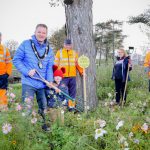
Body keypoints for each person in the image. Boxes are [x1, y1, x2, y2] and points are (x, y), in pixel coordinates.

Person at [13, 24, 54, 122]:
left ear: (46, 34)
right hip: (28, 82)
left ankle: (44, 125)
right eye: (39, 32)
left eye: (44, 32)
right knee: (27, 108)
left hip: (42, 84)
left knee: (44, 108)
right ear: (35, 32)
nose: (41, 34)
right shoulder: (25, 44)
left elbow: (49, 67)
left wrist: (49, 80)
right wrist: (26, 72)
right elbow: (16, 60)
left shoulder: (49, 49)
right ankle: (25, 131)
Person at [55, 39, 83, 111]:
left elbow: (77, 64)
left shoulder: (74, 53)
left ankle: (71, 108)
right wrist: (55, 75)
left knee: (72, 93)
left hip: (72, 77)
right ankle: (62, 108)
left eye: (69, 45)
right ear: (64, 44)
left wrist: (82, 72)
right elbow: (55, 64)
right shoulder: (59, 53)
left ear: (71, 45)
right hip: (63, 77)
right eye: (66, 44)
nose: (68, 46)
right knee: (62, 93)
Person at [0, 32, 12, 111]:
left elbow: (9, 62)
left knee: (3, 93)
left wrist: (7, 73)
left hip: (2, 75)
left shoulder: (5, 49)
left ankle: (3, 109)